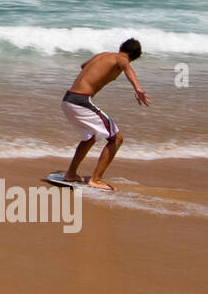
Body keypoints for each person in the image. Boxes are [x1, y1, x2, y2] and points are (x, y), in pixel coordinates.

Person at [59, 38, 151, 191]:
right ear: (134, 56)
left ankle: (70, 174)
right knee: (116, 138)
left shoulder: (102, 55)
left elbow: (83, 66)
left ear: (121, 46)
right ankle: (96, 179)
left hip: (68, 100)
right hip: (81, 101)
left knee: (90, 137)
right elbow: (126, 66)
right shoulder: (121, 58)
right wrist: (138, 88)